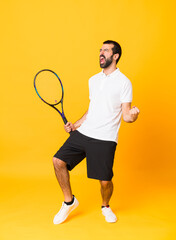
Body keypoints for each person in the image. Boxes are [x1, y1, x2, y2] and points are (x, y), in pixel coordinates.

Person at [52, 40, 140, 224]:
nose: (101, 53)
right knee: (57, 161)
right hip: (84, 132)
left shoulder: (124, 83)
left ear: (115, 56)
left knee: (105, 182)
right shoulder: (93, 79)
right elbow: (93, 108)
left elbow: (126, 116)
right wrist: (75, 125)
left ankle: (105, 206)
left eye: (106, 50)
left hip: (105, 138)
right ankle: (69, 202)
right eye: (100, 50)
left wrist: (133, 116)